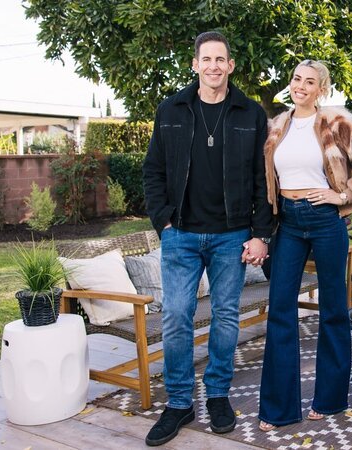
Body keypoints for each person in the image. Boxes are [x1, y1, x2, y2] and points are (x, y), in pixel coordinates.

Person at [142, 31, 272, 446]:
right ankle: (179, 402)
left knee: (226, 316)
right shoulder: (171, 110)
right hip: (180, 234)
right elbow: (153, 170)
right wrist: (163, 221)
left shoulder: (250, 113)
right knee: (176, 316)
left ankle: (217, 395)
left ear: (230, 66)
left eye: (221, 59)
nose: (214, 66)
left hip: (231, 236)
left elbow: (263, 178)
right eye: (207, 59)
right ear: (195, 64)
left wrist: (261, 234)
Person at [257, 59, 352, 431]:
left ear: (322, 89)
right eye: (296, 79)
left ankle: (330, 400)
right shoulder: (276, 126)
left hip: (325, 221)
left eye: (309, 81)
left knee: (333, 310)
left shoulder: (336, 122)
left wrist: (345, 194)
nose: (300, 86)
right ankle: (278, 409)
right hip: (287, 222)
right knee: (280, 309)